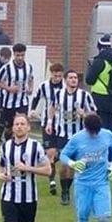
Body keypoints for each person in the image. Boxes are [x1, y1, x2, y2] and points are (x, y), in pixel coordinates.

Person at [59, 113, 112, 222]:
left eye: (96, 132)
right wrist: (73, 164)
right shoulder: (77, 139)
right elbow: (63, 155)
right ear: (86, 128)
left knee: (104, 220)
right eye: (91, 132)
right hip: (82, 185)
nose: (94, 134)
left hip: (101, 183)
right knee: (82, 220)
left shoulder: (106, 135)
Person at [47, 70, 96, 205]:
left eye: (75, 78)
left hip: (80, 137)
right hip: (63, 135)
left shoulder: (84, 95)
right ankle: (64, 191)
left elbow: (94, 114)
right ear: (65, 80)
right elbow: (51, 107)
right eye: (71, 77)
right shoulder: (58, 94)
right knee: (64, 165)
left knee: (74, 166)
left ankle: (66, 191)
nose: (73, 80)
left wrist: (84, 114)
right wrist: (50, 123)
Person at [31, 63, 65, 196]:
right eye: (55, 75)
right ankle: (52, 182)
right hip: (47, 123)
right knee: (51, 153)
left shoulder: (66, 86)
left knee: (61, 154)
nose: (57, 78)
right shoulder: (44, 86)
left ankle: (49, 162)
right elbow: (36, 98)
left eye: (60, 76)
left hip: (63, 125)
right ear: (51, 74)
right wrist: (33, 110)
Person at [0, 42, 34, 145]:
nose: (20, 58)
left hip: (22, 101)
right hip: (8, 102)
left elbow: (30, 78)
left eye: (22, 55)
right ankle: (8, 144)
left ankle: (21, 145)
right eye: (18, 55)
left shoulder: (28, 67)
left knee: (22, 123)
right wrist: (8, 88)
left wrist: (30, 88)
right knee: (9, 127)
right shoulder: (6, 68)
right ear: (14, 55)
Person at [85, 33, 112, 132]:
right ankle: (111, 146)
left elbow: (89, 80)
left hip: (100, 97)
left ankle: (102, 147)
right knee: (110, 126)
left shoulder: (99, 61)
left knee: (101, 126)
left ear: (99, 46)